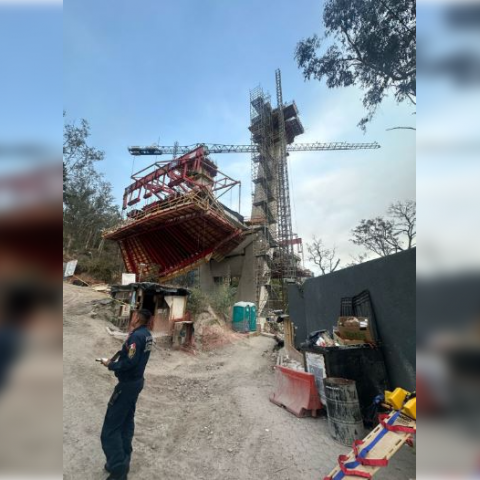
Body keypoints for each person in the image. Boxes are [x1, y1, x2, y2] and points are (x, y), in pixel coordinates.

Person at [100, 308, 153, 480]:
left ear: (138, 318)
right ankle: (123, 460)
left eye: (134, 315)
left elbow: (129, 362)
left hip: (127, 385)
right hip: (136, 383)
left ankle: (118, 470)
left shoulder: (136, 337)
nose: (132, 317)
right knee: (126, 423)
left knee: (110, 429)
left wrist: (111, 365)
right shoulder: (146, 335)